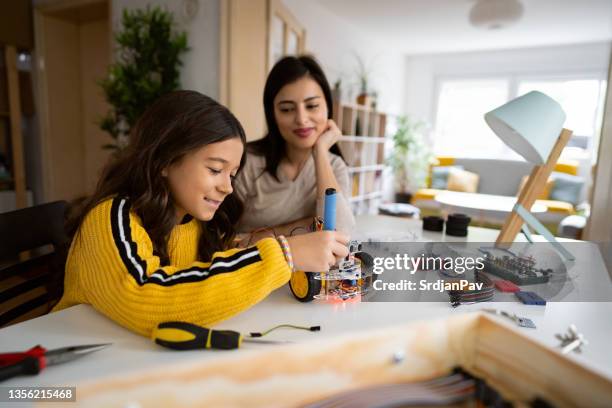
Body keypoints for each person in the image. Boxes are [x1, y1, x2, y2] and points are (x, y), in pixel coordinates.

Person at [52, 90, 348, 337]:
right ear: (165, 160)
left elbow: (214, 269)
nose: (228, 187)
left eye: (232, 174)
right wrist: (285, 255)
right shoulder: (111, 217)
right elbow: (148, 298)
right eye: (216, 170)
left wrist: (274, 249)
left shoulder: (192, 221)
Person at [234, 55, 355, 243]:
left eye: (312, 106)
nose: (301, 119)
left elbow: (340, 236)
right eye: (287, 109)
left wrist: (320, 152)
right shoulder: (247, 162)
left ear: (327, 108)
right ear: (272, 114)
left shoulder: (335, 166)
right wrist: (308, 226)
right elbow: (221, 240)